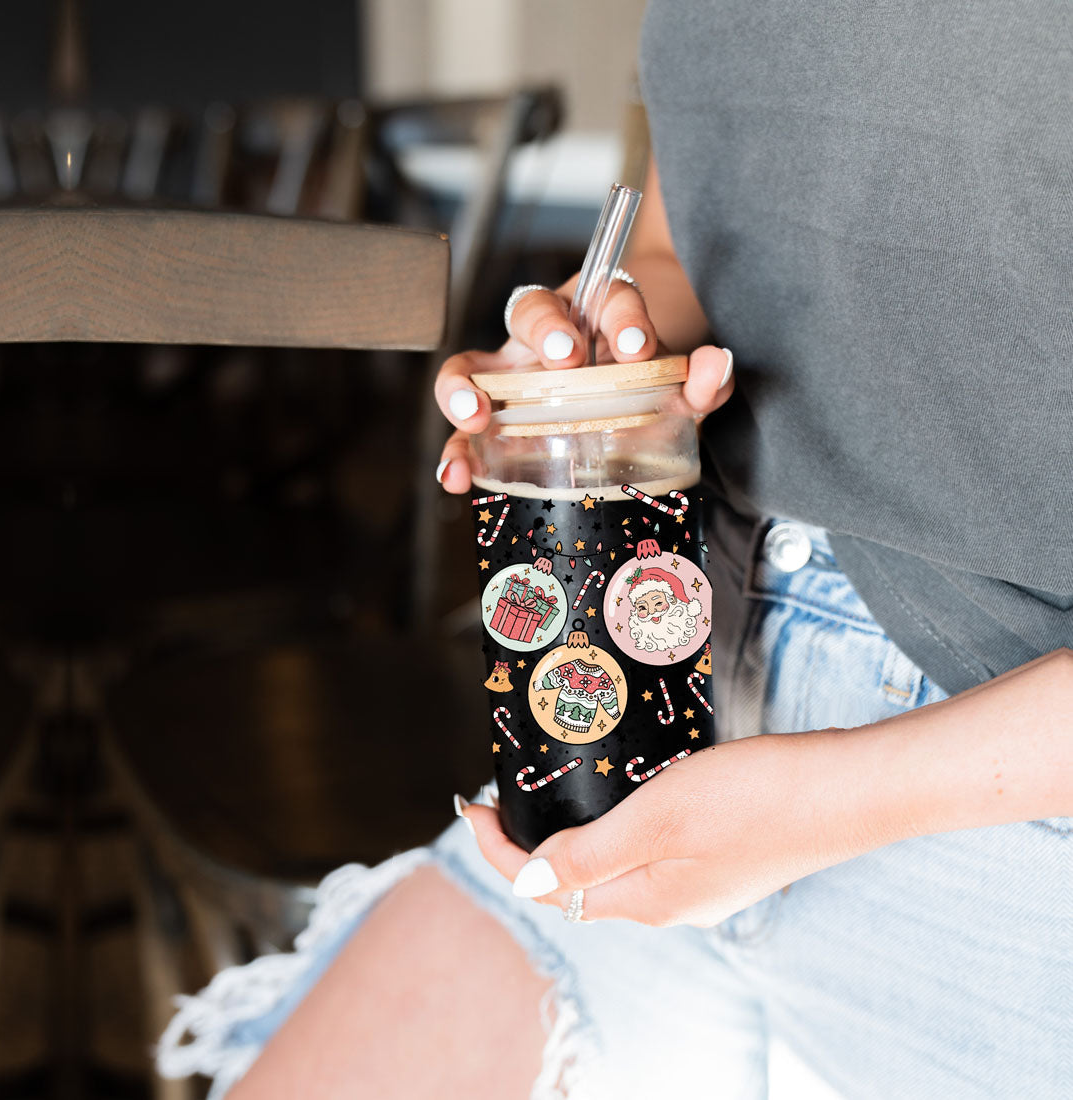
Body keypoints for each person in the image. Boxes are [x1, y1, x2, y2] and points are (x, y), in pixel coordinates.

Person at [158, 3, 1070, 1096]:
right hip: (666, 704)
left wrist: (828, 800)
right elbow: (679, 248)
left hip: (1006, 799)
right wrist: (601, 360)